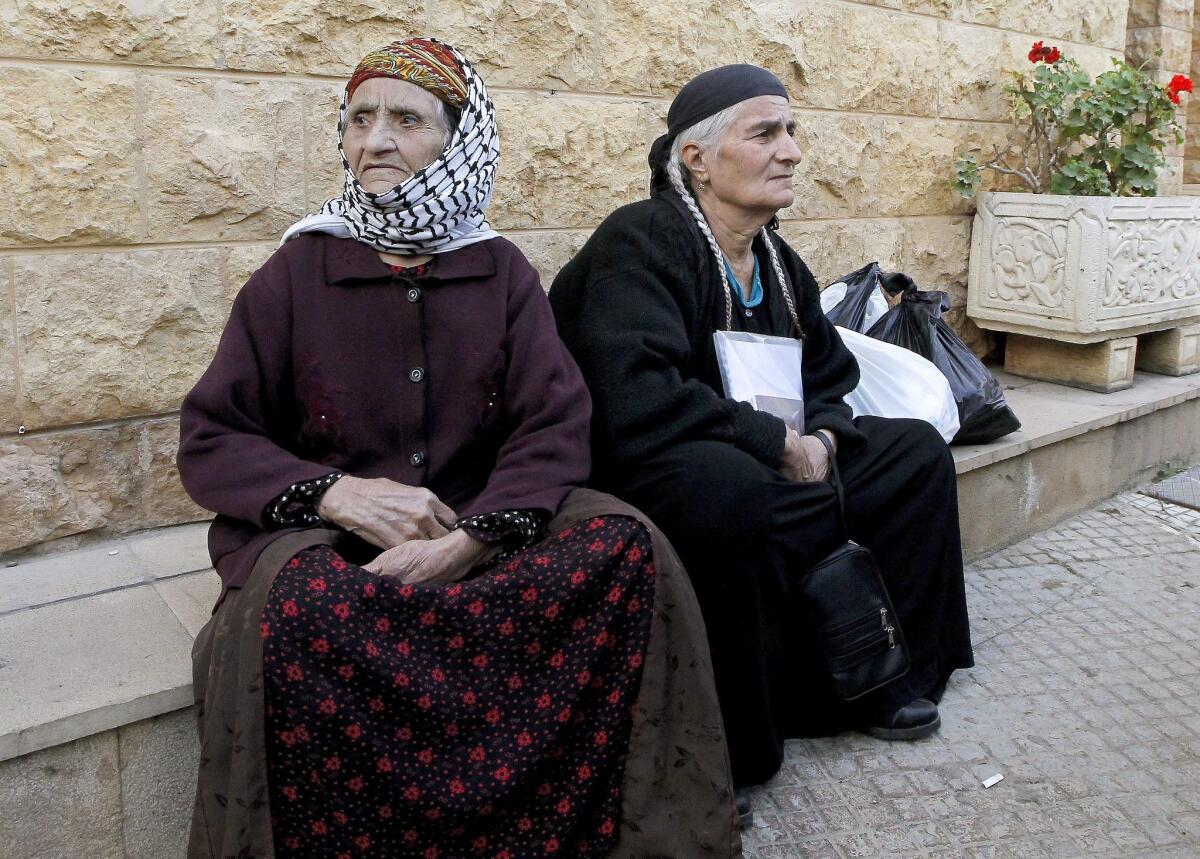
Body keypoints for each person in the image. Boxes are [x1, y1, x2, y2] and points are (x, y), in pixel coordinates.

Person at [178, 38, 738, 858]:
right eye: (360, 119)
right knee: (299, 607)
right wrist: (338, 493)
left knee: (629, 546)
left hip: (488, 521)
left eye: (407, 120)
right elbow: (212, 436)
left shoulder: (500, 270)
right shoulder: (295, 273)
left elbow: (553, 421)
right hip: (338, 541)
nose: (375, 140)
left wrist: (473, 539)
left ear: (458, 139)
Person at [548, 64, 974, 793]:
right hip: (654, 457)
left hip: (770, 454)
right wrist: (774, 443)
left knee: (913, 455)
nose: (791, 152)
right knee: (737, 497)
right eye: (765, 133)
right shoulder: (641, 240)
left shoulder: (778, 261)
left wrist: (826, 440)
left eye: (792, 132)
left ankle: (879, 671)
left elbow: (829, 377)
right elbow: (635, 393)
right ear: (698, 160)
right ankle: (734, 740)